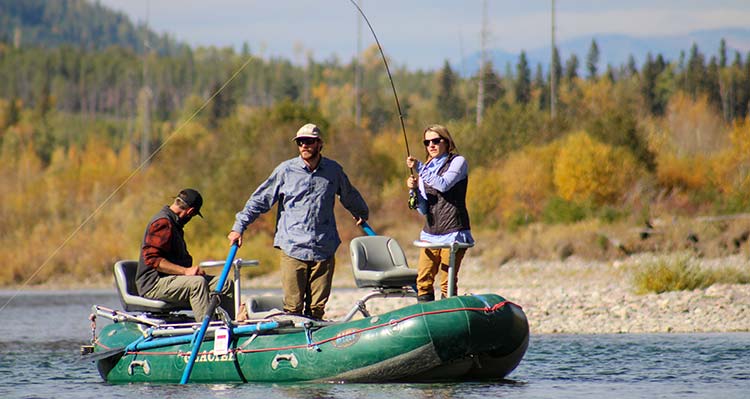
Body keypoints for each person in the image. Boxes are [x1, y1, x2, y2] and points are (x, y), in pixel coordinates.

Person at [228, 123, 369, 320]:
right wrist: (239, 227)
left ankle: (316, 345)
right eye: (300, 142)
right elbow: (260, 200)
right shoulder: (285, 171)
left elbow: (349, 194)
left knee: (317, 309)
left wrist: (361, 212)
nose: (304, 145)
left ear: (320, 144)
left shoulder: (333, 170)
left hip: (324, 248)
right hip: (293, 247)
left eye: (309, 141)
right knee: (293, 308)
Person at [136, 188, 235, 321]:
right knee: (197, 283)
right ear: (190, 212)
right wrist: (186, 271)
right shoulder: (163, 222)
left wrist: (188, 271)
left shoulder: (174, 223)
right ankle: (207, 332)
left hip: (171, 279)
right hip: (153, 284)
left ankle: (231, 324)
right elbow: (153, 260)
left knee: (224, 283)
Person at [406, 124, 474, 302]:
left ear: (447, 142)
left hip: (454, 232)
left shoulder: (458, 162)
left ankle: (448, 315)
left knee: (447, 282)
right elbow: (423, 209)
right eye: (427, 142)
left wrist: (420, 168)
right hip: (430, 233)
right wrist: (414, 191)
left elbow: (443, 184)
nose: (431, 145)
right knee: (423, 281)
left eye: (436, 141)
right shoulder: (426, 169)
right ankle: (426, 317)